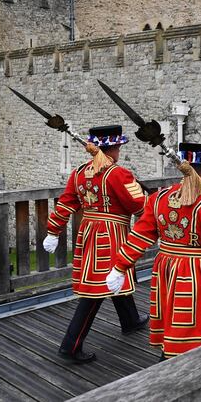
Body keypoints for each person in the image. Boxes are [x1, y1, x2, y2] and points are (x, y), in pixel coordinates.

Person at [106, 142, 201, 360]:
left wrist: (120, 267)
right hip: (198, 275)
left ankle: (168, 361)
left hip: (166, 269)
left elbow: (140, 235)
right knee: (197, 329)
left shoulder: (159, 197)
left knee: (173, 322)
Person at [43, 125, 149, 364]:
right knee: (97, 289)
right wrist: (151, 201)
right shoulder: (118, 174)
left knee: (111, 278)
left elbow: (67, 203)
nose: (120, 150)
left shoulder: (80, 173)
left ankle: (130, 320)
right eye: (119, 146)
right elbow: (138, 206)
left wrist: (53, 230)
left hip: (89, 232)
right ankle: (70, 346)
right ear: (114, 148)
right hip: (111, 235)